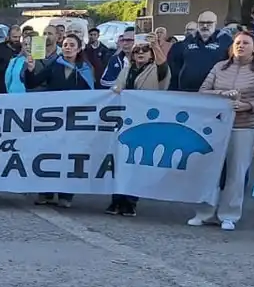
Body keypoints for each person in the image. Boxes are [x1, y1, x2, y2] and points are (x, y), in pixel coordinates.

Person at [192, 31, 254, 231]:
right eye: (238, 43)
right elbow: (203, 91)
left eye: (246, 43)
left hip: (245, 126)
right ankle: (204, 212)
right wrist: (222, 95)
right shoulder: (219, 67)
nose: (241, 46)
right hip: (216, 126)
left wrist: (249, 105)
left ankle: (229, 214)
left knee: (236, 173)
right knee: (209, 170)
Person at [23, 34, 95, 207]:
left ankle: (66, 195)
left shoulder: (85, 69)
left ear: (79, 49)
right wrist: (30, 69)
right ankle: (46, 193)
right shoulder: (54, 65)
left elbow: (93, 95)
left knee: (70, 156)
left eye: (72, 45)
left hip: (74, 121)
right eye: (65, 45)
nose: (68, 48)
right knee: (49, 154)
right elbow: (32, 83)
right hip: (54, 120)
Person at [107, 41, 170, 216]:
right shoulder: (126, 70)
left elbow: (163, 65)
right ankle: (116, 200)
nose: (140, 53)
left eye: (145, 50)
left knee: (136, 161)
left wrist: (156, 45)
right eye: (137, 51)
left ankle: (130, 201)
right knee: (120, 161)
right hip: (125, 120)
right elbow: (116, 88)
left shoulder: (157, 71)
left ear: (151, 54)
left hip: (145, 121)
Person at [168, 12, 231, 91]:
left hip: (213, 92)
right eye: (201, 23)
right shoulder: (189, 40)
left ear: (215, 23)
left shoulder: (225, 40)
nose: (205, 26)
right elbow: (176, 67)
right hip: (185, 92)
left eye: (209, 23)